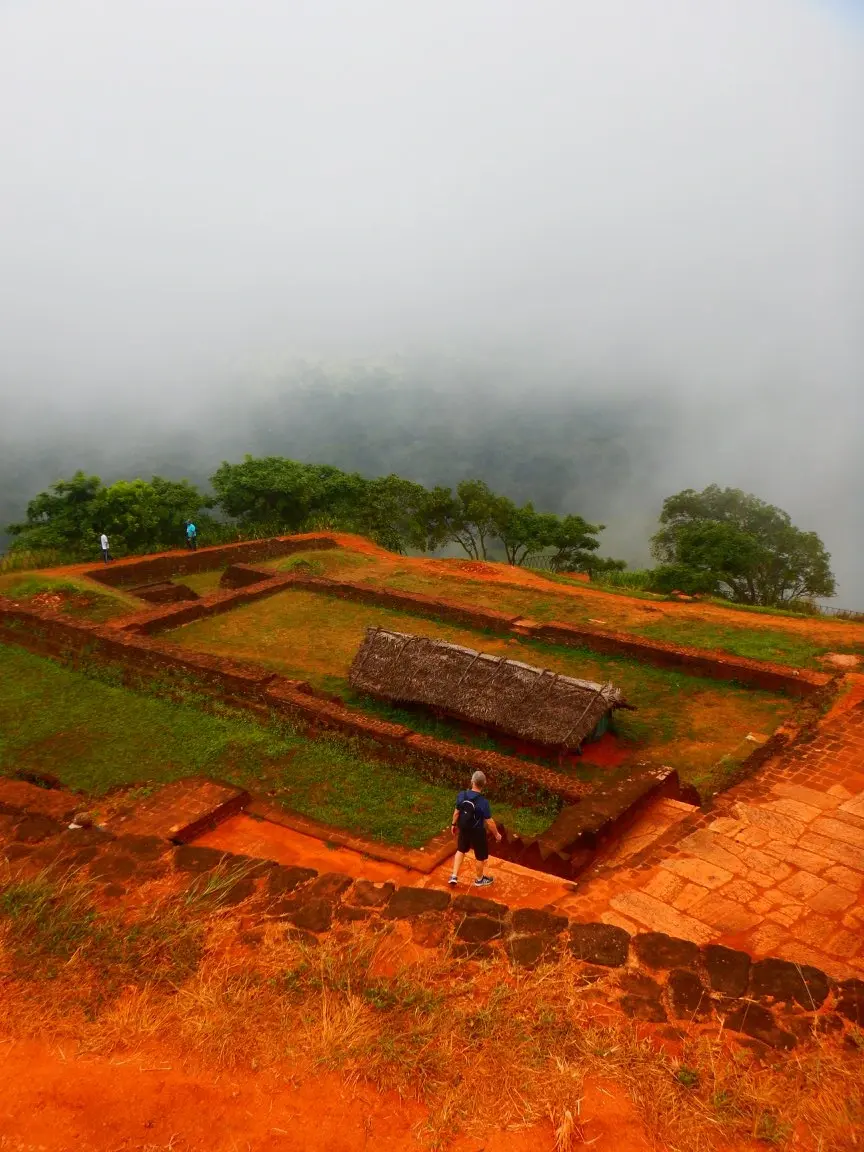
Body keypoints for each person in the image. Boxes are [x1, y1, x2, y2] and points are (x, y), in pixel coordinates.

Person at [448, 770, 502, 887]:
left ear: (472, 781)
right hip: (477, 831)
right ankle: (479, 879)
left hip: (464, 828)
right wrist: (497, 834)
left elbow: (457, 812)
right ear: (484, 784)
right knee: (480, 856)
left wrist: (453, 824)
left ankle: (454, 876)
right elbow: (490, 822)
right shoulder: (483, 802)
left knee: (460, 850)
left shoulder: (462, 795)